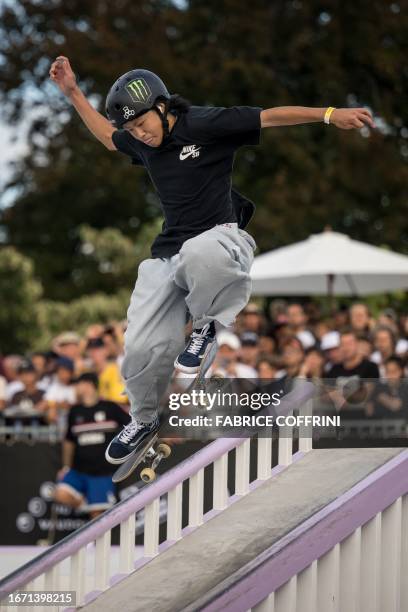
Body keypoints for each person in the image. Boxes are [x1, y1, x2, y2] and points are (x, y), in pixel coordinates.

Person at [49, 55, 374, 464]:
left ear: (163, 107)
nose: (140, 134)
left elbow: (270, 117)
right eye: (132, 129)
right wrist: (73, 93)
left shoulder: (205, 124)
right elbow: (107, 137)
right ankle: (145, 418)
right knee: (138, 346)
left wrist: (329, 114)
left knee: (200, 250)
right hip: (168, 255)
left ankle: (206, 327)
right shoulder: (140, 140)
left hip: (223, 240)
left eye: (143, 123)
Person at [54, 373, 130, 517]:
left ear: (89, 385)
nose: (76, 387)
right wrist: (65, 467)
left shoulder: (110, 407)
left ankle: (92, 509)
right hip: (79, 470)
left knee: (96, 516)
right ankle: (86, 505)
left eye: (79, 384)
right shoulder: (74, 411)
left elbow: (134, 425)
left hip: (103, 472)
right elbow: (69, 441)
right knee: (60, 494)